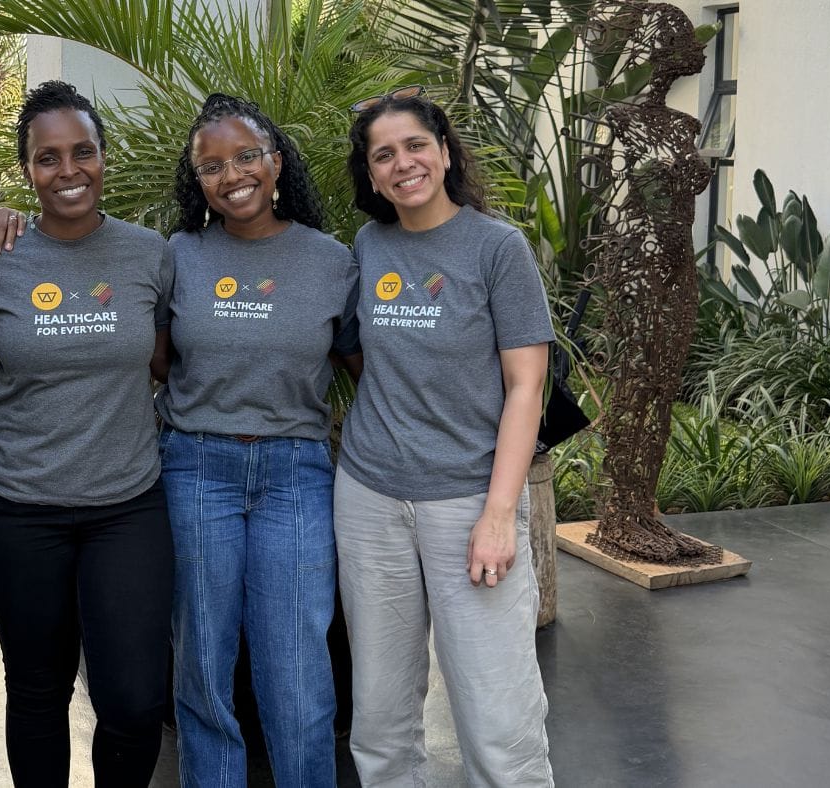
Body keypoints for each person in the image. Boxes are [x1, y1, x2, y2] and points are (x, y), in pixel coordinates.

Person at [334, 86, 555, 787]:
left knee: (497, 713)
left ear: (444, 151)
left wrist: (498, 514)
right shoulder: (368, 245)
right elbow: (362, 355)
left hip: (467, 499)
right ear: (369, 175)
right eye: (383, 155)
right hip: (369, 495)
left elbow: (526, 387)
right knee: (379, 712)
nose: (402, 164)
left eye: (414, 146)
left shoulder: (496, 248)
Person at [0, 80, 174, 788]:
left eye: (82, 151)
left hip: (126, 506)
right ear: (26, 171)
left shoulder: (150, 254)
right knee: (38, 690)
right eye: (46, 158)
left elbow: (175, 359)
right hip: (20, 508)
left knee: (135, 702)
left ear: (103, 157)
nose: (67, 170)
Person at [156, 93, 359, 788]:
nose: (230, 174)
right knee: (203, 662)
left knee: (297, 663)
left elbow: (368, 371)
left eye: (246, 155)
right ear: (196, 180)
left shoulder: (331, 261)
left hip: (294, 473)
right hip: (194, 468)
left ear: (275, 162)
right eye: (209, 165)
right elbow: (152, 360)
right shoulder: (178, 256)